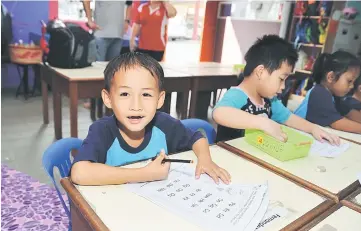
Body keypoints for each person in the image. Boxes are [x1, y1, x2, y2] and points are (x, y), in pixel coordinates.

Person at [71, 52, 231, 186]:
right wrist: (144, 174)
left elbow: (197, 138)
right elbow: (79, 173)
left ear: (160, 99)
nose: (136, 105)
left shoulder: (164, 124)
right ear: (108, 99)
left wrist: (205, 160)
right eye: (125, 94)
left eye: (146, 94)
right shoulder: (102, 130)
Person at [212, 35, 340, 144]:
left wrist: (313, 128)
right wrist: (262, 123)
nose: (283, 86)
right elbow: (219, 113)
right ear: (261, 72)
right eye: (281, 79)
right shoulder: (237, 95)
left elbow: (289, 118)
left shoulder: (269, 101)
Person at [294, 51, 361, 133]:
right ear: (331, 77)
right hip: (295, 132)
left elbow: (349, 113)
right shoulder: (319, 93)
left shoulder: (335, 96)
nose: (352, 86)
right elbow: (337, 123)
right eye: (349, 81)